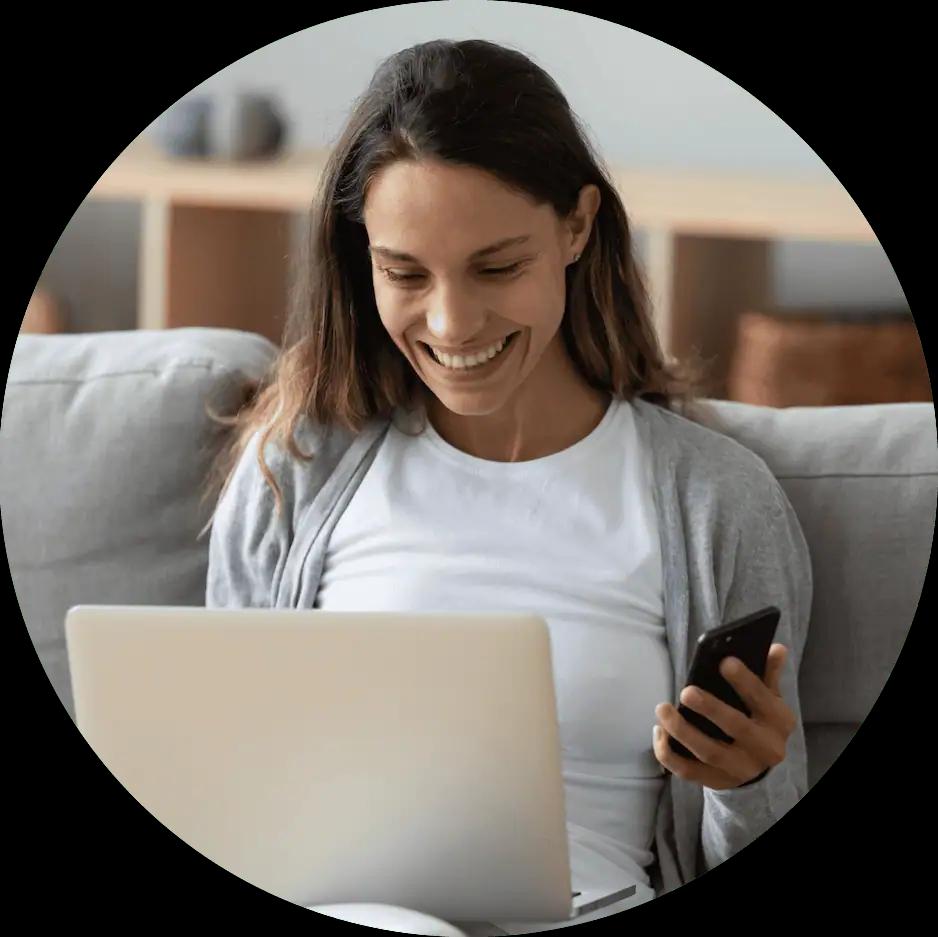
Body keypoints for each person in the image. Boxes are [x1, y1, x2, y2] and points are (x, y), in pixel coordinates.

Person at [204, 39, 812, 933]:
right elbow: (220, 783)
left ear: (576, 226)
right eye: (404, 273)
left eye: (497, 268)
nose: (451, 323)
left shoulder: (714, 499)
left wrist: (747, 782)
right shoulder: (295, 469)